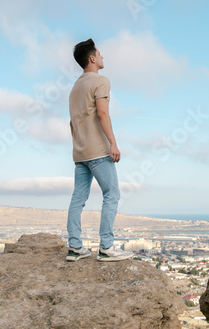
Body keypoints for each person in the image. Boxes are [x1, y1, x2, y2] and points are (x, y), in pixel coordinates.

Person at [66, 38, 133, 262]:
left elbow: (71, 123)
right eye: (100, 54)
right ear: (92, 58)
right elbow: (103, 114)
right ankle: (106, 247)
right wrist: (113, 143)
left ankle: (75, 247)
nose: (103, 57)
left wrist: (79, 145)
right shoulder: (101, 81)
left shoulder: (75, 87)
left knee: (78, 198)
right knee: (112, 194)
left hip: (80, 153)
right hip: (98, 153)